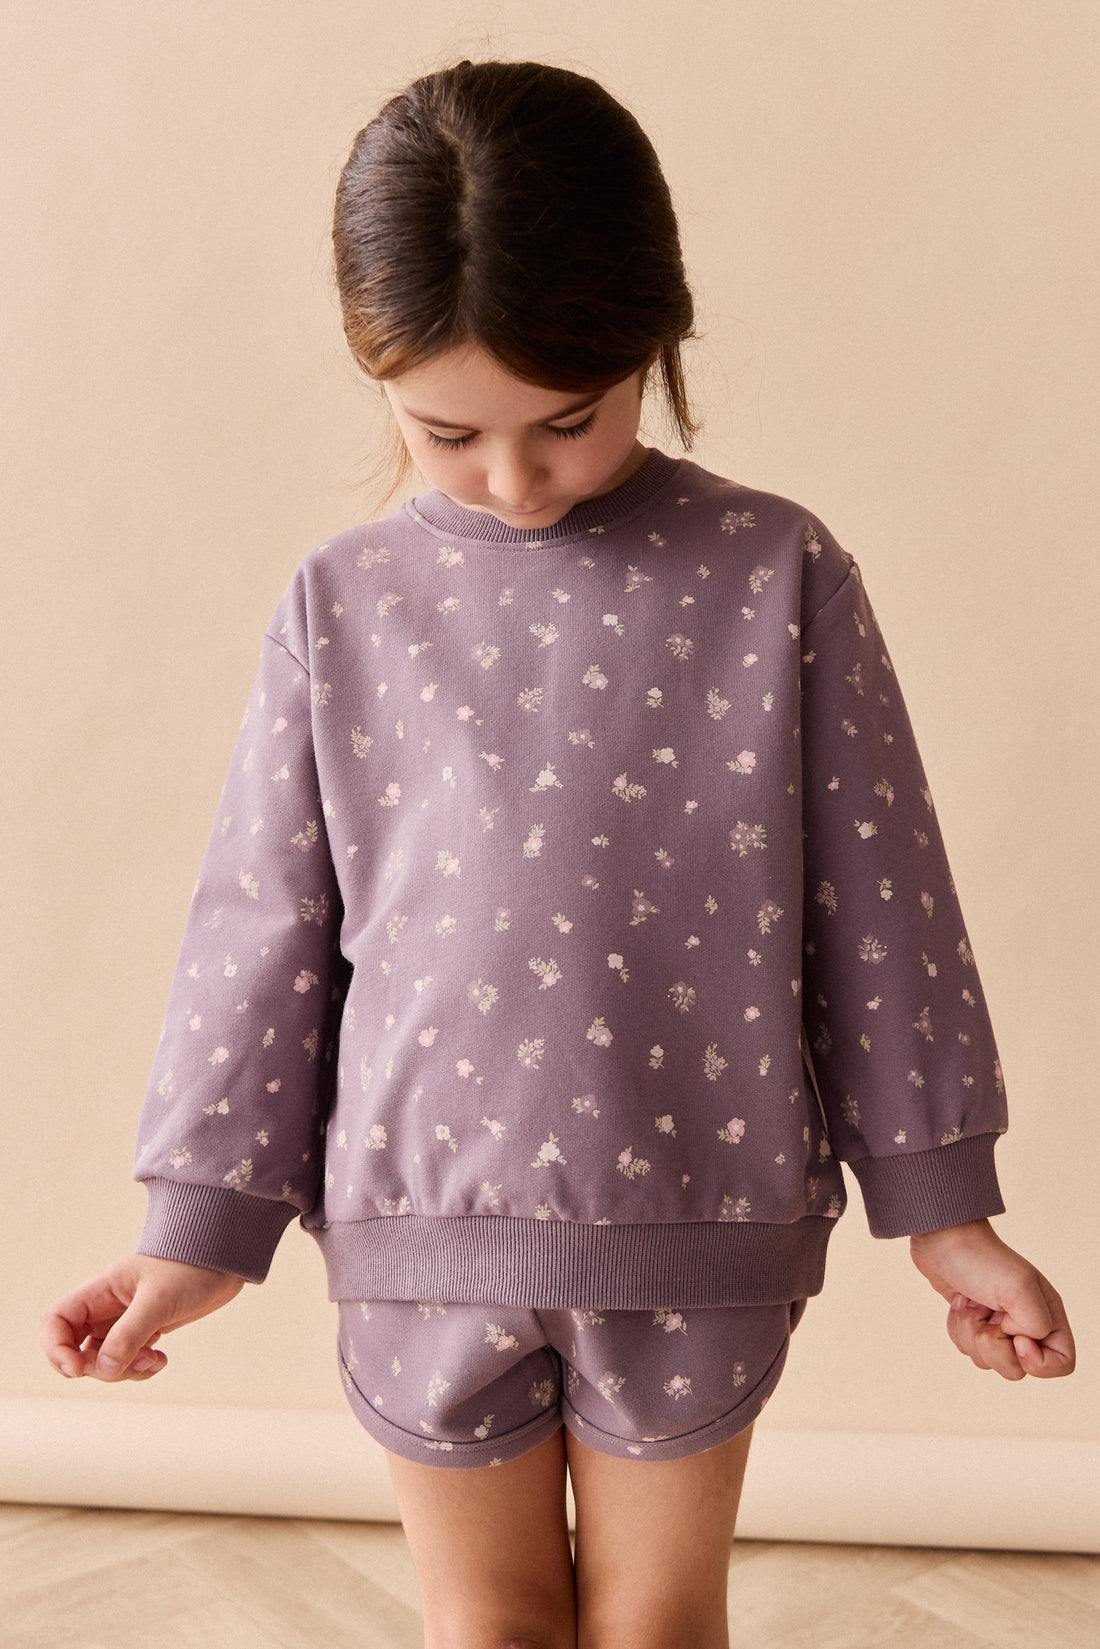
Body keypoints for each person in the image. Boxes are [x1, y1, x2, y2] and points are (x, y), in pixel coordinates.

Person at [41, 59, 1075, 1649]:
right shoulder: (339, 605)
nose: (516, 480)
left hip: (699, 1225)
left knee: (657, 1627)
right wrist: (196, 1232)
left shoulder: (778, 572)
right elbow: (264, 930)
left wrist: (943, 1209)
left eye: (570, 421)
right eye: (447, 432)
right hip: (418, 1237)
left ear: (654, 340)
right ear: (376, 374)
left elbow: (881, 905)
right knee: (489, 1628)